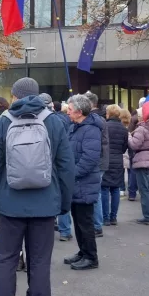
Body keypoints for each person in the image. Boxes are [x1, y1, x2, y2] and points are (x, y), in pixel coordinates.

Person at [0, 77, 73, 296]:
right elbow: (66, 166)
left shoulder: (4, 121)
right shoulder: (53, 121)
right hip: (45, 204)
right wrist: (64, 202)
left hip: (10, 204)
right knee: (40, 264)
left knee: (6, 261)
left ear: (15, 96)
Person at [64, 94, 103, 270]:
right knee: (78, 221)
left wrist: (72, 174)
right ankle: (83, 252)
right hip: (77, 183)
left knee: (85, 223)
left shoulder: (91, 130)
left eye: (70, 109)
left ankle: (91, 257)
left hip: (84, 183)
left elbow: (90, 158)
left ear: (79, 112)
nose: (68, 112)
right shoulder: (76, 127)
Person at [84, 92, 109, 238]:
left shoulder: (95, 120)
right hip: (101, 160)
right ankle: (97, 224)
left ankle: (97, 225)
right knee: (96, 193)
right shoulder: (101, 119)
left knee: (95, 194)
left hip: (97, 161)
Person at [100, 105, 127, 226]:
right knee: (115, 189)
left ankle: (105, 218)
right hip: (118, 161)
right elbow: (124, 147)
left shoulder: (104, 126)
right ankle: (113, 217)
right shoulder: (123, 128)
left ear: (108, 114)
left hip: (106, 160)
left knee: (104, 189)